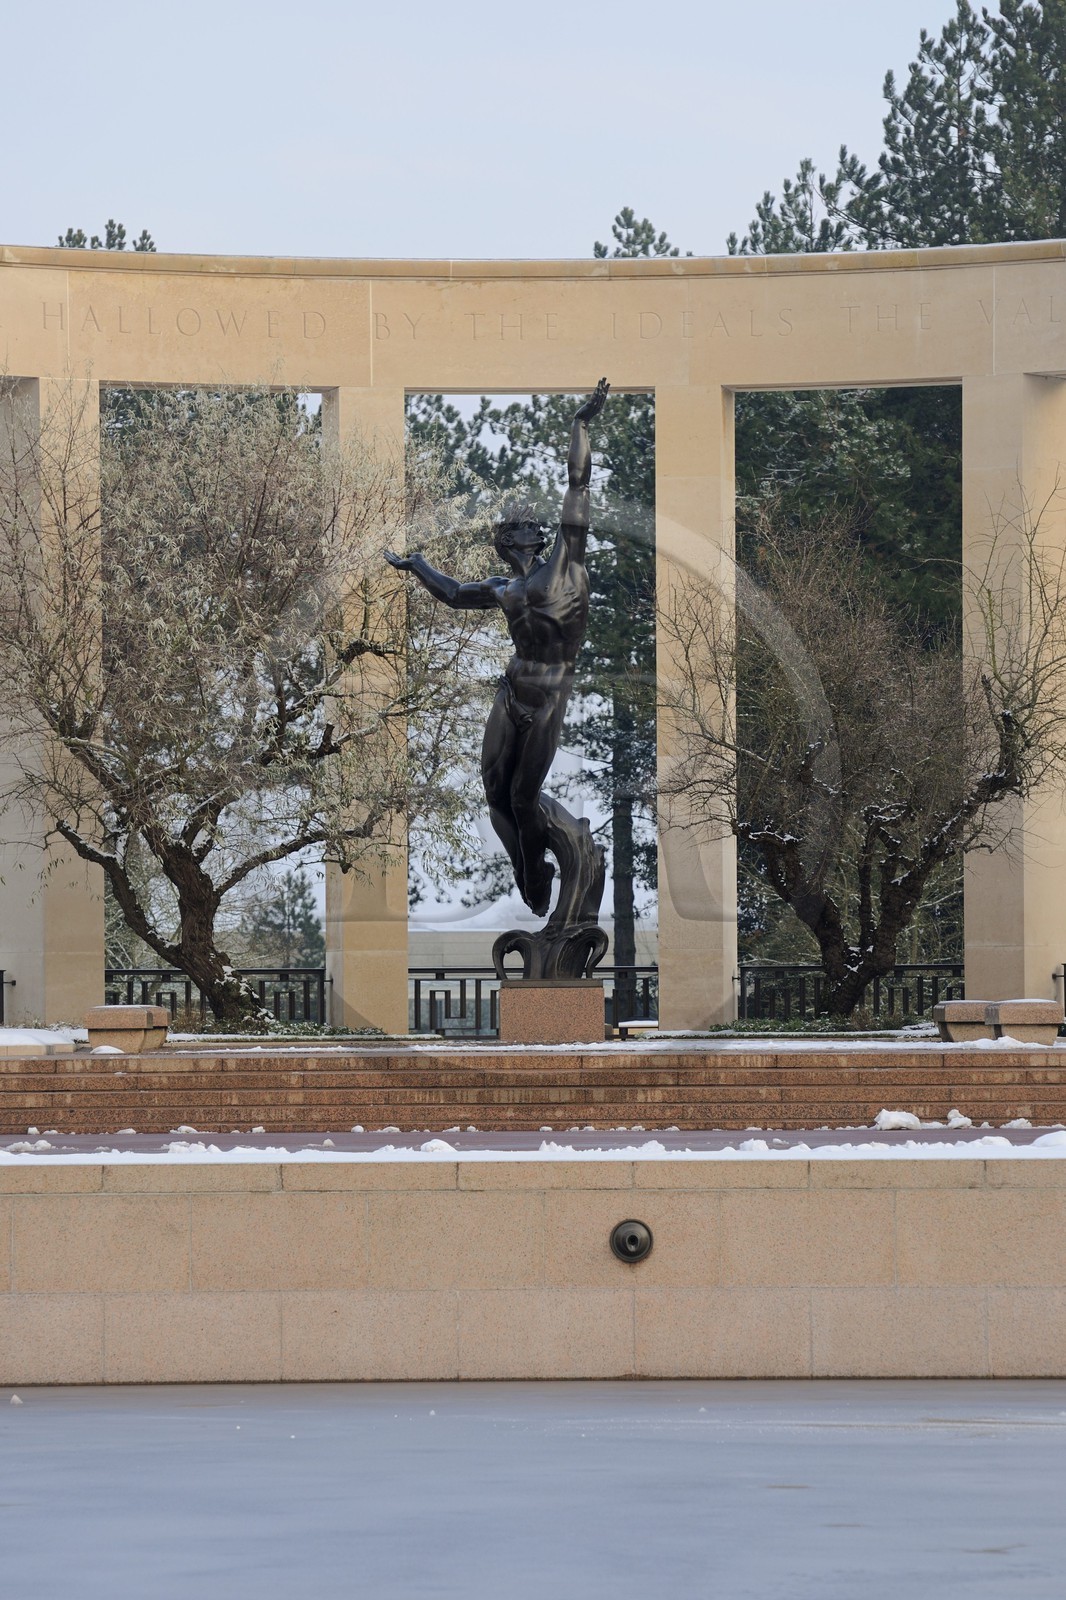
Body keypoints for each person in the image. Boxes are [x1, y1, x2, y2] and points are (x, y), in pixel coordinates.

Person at [385, 378, 609, 916]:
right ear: (508, 541)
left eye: (530, 523)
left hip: (548, 698)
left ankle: (541, 871)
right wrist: (416, 565)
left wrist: (581, 424)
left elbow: (577, 487)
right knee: (494, 796)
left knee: (522, 797)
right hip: (510, 693)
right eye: (517, 525)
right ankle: (528, 868)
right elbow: (456, 595)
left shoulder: (566, 563)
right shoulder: (502, 588)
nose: (526, 525)